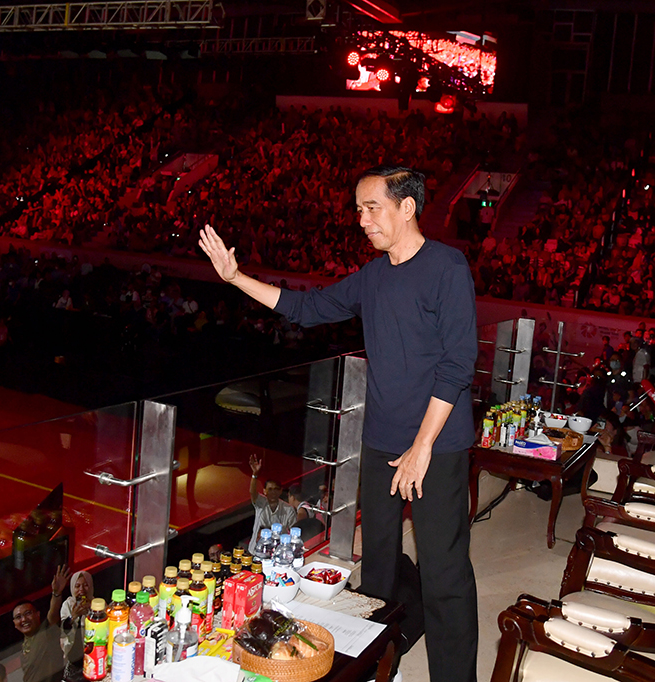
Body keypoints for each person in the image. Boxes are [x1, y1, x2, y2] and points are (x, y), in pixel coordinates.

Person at [200, 165, 478, 682]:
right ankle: (379, 667)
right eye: (358, 209)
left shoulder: (447, 267)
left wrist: (421, 447)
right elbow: (307, 307)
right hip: (380, 445)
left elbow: (459, 363)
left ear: (407, 207)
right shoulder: (372, 277)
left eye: (372, 208)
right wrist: (236, 277)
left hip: (435, 447)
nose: (362, 220)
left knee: (444, 575)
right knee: (375, 569)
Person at [13, 564, 70, 682]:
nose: (24, 619)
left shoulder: (46, 632)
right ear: (14, 624)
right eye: (19, 617)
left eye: (28, 613)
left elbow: (53, 613)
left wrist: (56, 593)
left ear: (37, 614)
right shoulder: (24, 644)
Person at [248, 453, 297, 541]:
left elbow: (293, 532)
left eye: (276, 489)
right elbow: (252, 492)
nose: (273, 492)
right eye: (270, 489)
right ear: (264, 491)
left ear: (281, 491)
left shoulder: (289, 509)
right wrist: (255, 474)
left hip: (277, 550)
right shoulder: (261, 503)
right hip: (256, 549)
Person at [59, 570, 94, 678]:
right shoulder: (68, 605)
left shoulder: (97, 604)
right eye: (77, 586)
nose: (81, 590)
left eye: (85, 585)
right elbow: (64, 629)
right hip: (73, 657)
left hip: (92, 657)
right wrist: (74, 616)